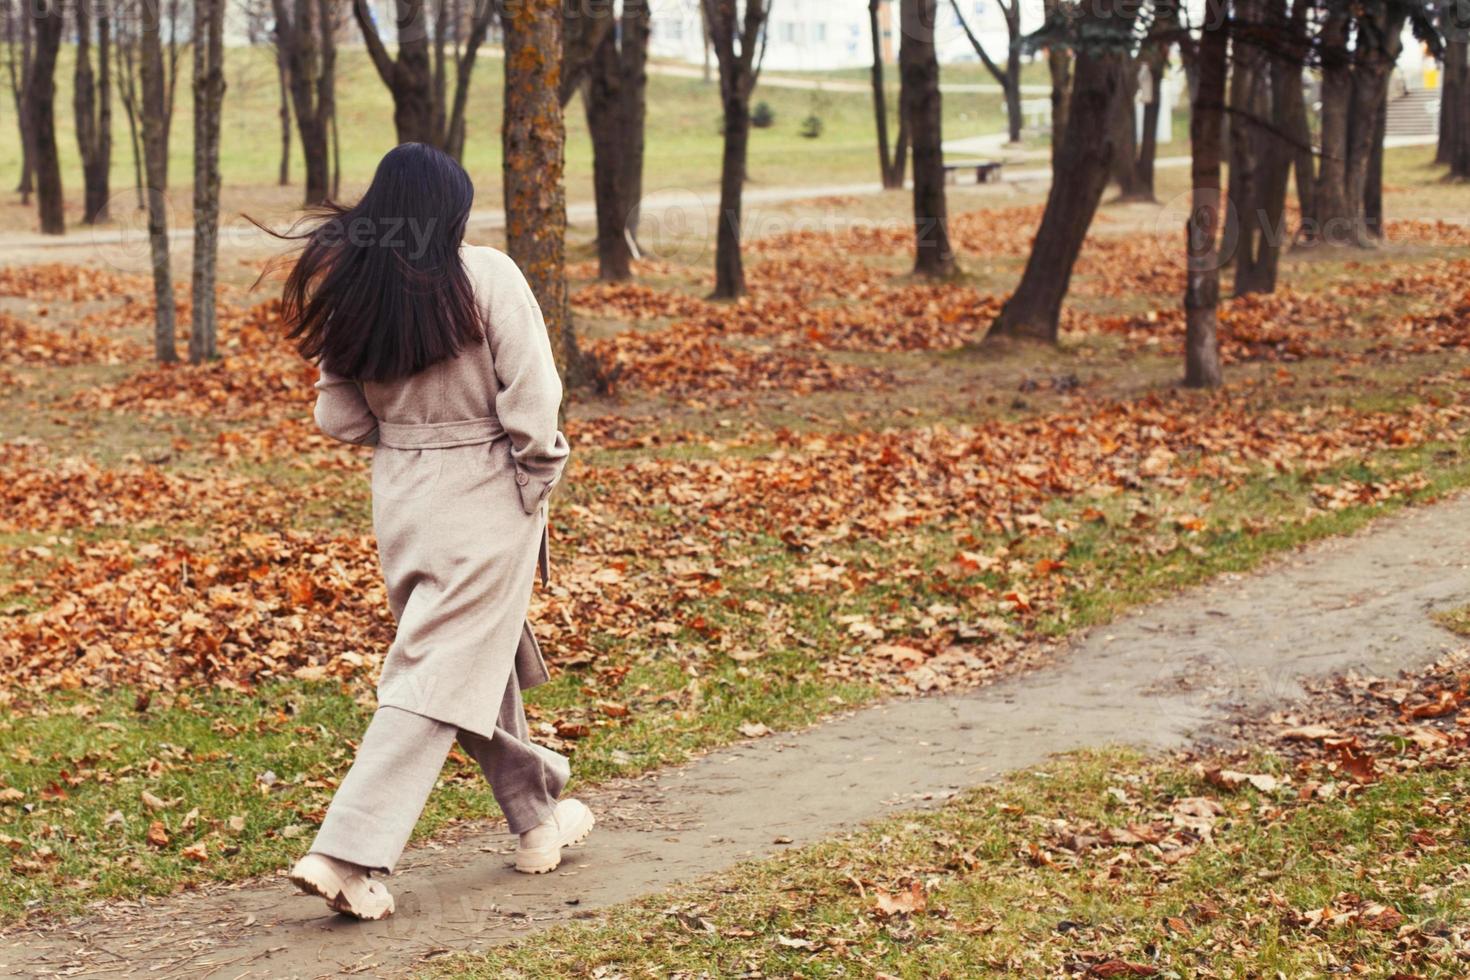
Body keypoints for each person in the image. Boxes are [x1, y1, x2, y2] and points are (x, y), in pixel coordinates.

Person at [273, 143, 591, 921]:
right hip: (487, 492)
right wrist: (538, 473)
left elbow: (338, 416)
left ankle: (538, 819)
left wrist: (408, 434)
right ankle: (345, 853)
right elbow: (536, 393)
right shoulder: (486, 274)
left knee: (469, 658)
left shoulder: (355, 289)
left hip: (404, 502)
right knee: (435, 673)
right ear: (449, 208)